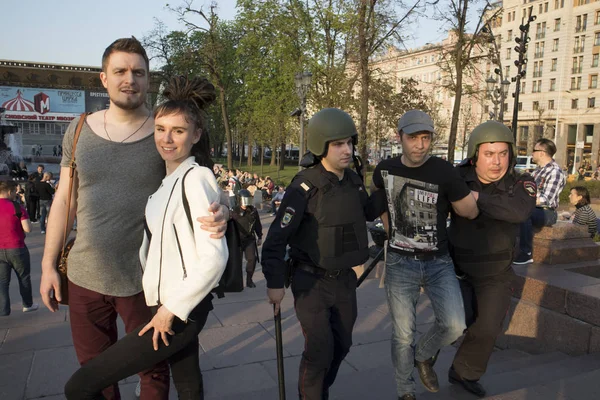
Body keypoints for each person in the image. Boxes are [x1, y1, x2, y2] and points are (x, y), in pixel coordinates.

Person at [40, 37, 228, 400]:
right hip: (85, 275)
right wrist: (48, 265)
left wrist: (225, 209)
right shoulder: (78, 129)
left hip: (145, 283)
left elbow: (204, 183)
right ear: (103, 79)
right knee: (95, 374)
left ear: (148, 79)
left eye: (138, 72)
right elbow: (65, 199)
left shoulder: (165, 132)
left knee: (154, 373)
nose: (130, 79)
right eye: (121, 71)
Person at [262, 108, 383, 400]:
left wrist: (387, 184)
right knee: (319, 351)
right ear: (322, 147)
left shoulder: (353, 181)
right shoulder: (304, 187)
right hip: (310, 282)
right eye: (338, 144)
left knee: (342, 345)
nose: (346, 150)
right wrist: (275, 283)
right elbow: (277, 238)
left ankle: (317, 392)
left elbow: (367, 212)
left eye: (349, 143)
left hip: (344, 281)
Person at [370, 110, 479, 400]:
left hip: (438, 262)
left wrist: (470, 199)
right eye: (413, 138)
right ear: (399, 137)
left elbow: (468, 211)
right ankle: (405, 390)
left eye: (425, 138)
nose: (419, 145)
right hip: (399, 262)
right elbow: (380, 198)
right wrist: (390, 228)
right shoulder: (384, 168)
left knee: (455, 324)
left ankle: (423, 354)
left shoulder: (444, 171)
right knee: (403, 333)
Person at [447, 121, 536, 397]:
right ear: (475, 155)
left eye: (503, 154)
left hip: (496, 272)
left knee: (487, 329)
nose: (497, 162)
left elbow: (518, 212)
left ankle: (464, 372)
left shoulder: (522, 182)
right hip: (457, 268)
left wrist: (475, 197)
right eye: (489, 154)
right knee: (456, 323)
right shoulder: (457, 177)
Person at [514, 138, 566, 264]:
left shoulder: (555, 171)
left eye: (534, 150)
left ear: (542, 152)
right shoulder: (537, 171)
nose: (531, 153)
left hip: (546, 212)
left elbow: (546, 199)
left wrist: (525, 202)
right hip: (532, 207)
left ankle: (526, 253)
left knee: (524, 213)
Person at [0, 181, 38, 316]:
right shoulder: (17, 208)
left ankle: (3, 309)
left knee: (3, 281)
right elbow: (28, 229)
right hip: (17, 248)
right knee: (24, 278)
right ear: (10, 192)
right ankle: (27, 304)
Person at [231, 189, 263, 288]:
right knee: (237, 262)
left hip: (250, 239)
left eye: (247, 200)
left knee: (252, 259)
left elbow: (257, 224)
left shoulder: (253, 211)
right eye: (243, 200)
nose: (245, 203)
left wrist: (260, 236)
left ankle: (249, 280)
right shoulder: (234, 211)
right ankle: (237, 282)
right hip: (237, 240)